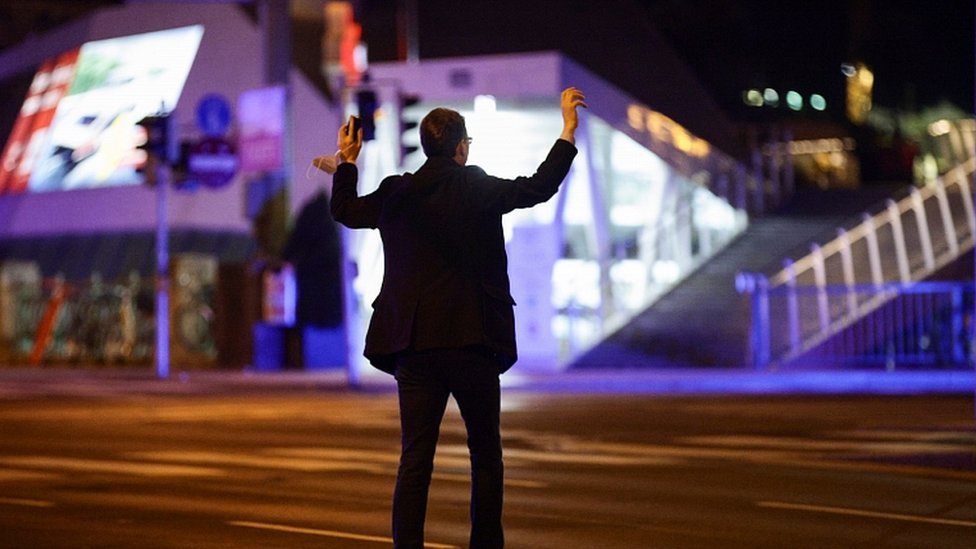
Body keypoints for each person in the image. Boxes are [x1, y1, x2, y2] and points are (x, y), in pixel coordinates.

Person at [329, 87, 587, 548]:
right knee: (485, 455)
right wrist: (567, 130)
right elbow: (538, 187)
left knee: (415, 461)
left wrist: (347, 162)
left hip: (414, 347)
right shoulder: (476, 186)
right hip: (473, 343)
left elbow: (345, 210)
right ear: (461, 147)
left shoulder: (397, 192)